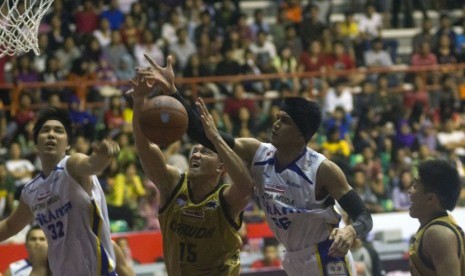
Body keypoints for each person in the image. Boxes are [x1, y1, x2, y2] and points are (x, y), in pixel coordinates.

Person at [139, 54, 373, 276]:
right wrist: (172, 91)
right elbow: (205, 134)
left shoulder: (323, 170)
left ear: (302, 135)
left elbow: (363, 215)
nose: (276, 124)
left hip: (326, 253)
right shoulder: (257, 152)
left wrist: (351, 230)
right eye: (277, 117)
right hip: (292, 257)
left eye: (285, 121)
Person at [129, 70, 255, 275]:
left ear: (220, 167)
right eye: (194, 151)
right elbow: (145, 148)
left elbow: (246, 186)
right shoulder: (172, 184)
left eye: (205, 152)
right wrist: (139, 101)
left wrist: (215, 138)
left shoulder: (225, 199)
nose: (196, 155)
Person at [0, 107, 121, 275]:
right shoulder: (31, 191)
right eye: (45, 130)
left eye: (58, 131)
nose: (51, 134)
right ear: (36, 143)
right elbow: (10, 226)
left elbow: (92, 165)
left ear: (68, 143)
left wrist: (103, 156)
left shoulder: (71, 165)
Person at [408, 159, 465, 275]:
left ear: (430, 199)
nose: (410, 191)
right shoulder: (432, 228)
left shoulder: (438, 233)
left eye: (415, 186)